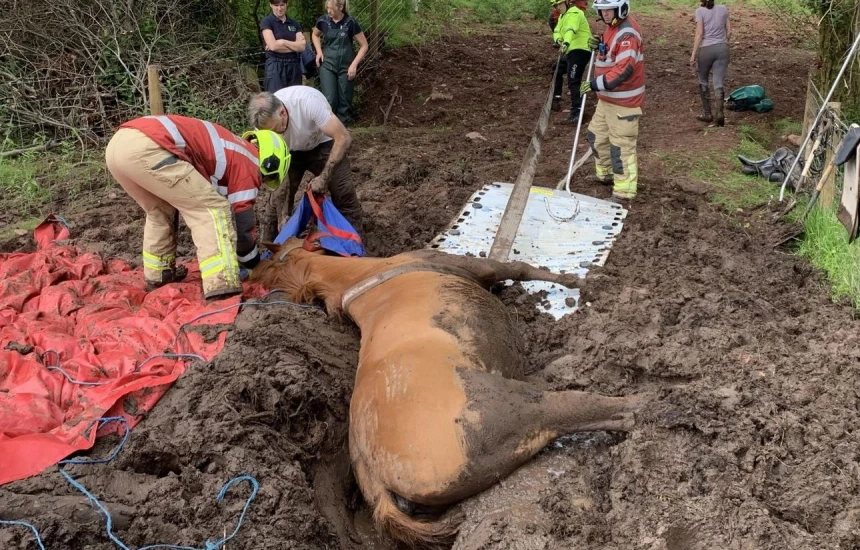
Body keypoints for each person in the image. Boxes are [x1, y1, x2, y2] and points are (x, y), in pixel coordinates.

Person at [105, 115, 290, 299]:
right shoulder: (250, 162)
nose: (263, 182)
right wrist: (253, 263)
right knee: (213, 209)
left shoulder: (234, 148)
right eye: (269, 178)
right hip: (149, 147)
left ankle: (159, 276)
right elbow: (242, 224)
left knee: (160, 212)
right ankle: (222, 286)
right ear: (272, 161)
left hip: (120, 145)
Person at [246, 87, 363, 240]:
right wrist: (283, 212)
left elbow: (343, 138)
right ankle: (270, 252)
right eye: (270, 133)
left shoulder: (308, 102)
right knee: (276, 204)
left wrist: (323, 178)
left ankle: (354, 245)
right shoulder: (262, 124)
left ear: (283, 112)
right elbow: (271, 170)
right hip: (288, 152)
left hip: (322, 143)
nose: (275, 135)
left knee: (343, 193)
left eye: (276, 130)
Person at [579, 0, 645, 201]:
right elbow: (610, 53)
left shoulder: (628, 34)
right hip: (606, 101)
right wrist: (598, 45)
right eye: (601, 10)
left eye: (608, 10)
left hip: (623, 104)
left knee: (620, 148)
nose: (604, 14)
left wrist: (594, 84)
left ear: (620, 8)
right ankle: (606, 174)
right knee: (596, 137)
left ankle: (624, 192)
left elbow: (623, 69)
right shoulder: (611, 28)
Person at [312, 0, 369, 125]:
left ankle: (343, 127)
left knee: (345, 99)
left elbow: (364, 45)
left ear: (341, 7)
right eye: (327, 8)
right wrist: (319, 51)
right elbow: (315, 35)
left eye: (331, 9)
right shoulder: (323, 21)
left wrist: (354, 65)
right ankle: (328, 128)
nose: (328, 11)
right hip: (327, 65)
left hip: (346, 67)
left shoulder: (350, 23)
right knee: (330, 99)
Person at [690, 0, 731, 126]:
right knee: (718, 82)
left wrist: (693, 54)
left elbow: (700, 33)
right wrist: (722, 43)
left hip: (706, 49)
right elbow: (729, 31)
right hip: (723, 48)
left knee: (703, 80)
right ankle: (720, 115)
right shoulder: (724, 8)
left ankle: (708, 113)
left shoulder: (700, 11)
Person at [552, 0, 592, 123]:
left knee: (573, 80)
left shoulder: (575, 13)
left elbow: (571, 29)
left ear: (567, 3)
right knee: (556, 69)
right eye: (555, 5)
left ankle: (577, 112)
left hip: (581, 50)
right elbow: (557, 31)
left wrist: (566, 42)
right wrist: (559, 40)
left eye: (560, 4)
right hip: (571, 51)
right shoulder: (562, 17)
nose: (558, 7)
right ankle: (556, 98)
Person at [260, 0, 307, 92]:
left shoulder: (294, 23)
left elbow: (302, 47)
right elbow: (273, 46)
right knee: (276, 100)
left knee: (294, 99)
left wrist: (282, 42)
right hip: (275, 65)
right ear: (271, 5)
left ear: (286, 4)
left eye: (282, 5)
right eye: (276, 5)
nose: (279, 8)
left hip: (294, 65)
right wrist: (294, 46)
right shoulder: (266, 22)